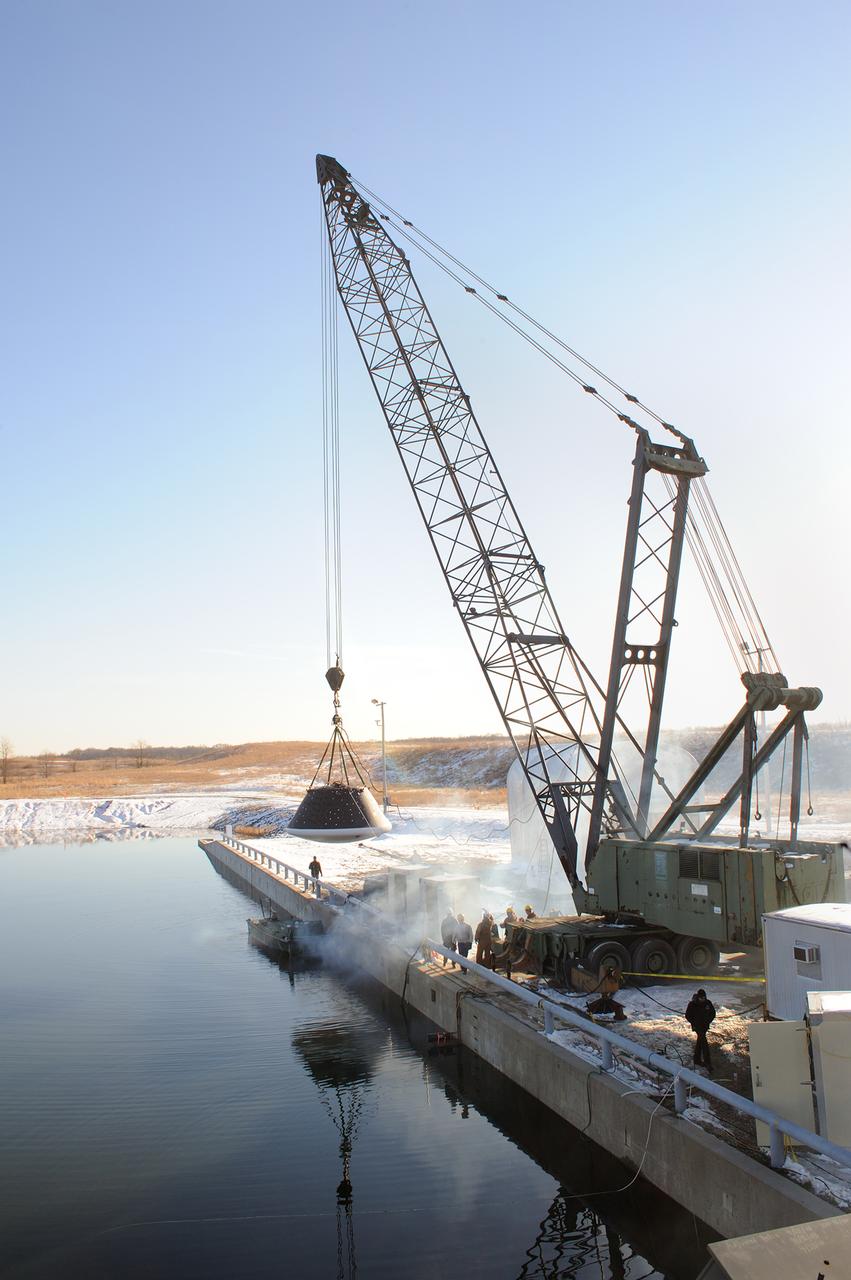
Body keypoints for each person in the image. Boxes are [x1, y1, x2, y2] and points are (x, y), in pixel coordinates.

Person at [685, 988, 716, 1072]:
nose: (703, 999)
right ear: (698, 997)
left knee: (700, 1041)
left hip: (705, 1026)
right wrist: (694, 1023)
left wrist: (708, 1021)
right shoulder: (692, 1004)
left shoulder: (708, 1003)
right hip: (697, 1027)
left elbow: (713, 1013)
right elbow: (687, 1015)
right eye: (701, 998)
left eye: (704, 997)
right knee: (704, 1043)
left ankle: (696, 1059)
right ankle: (708, 1063)